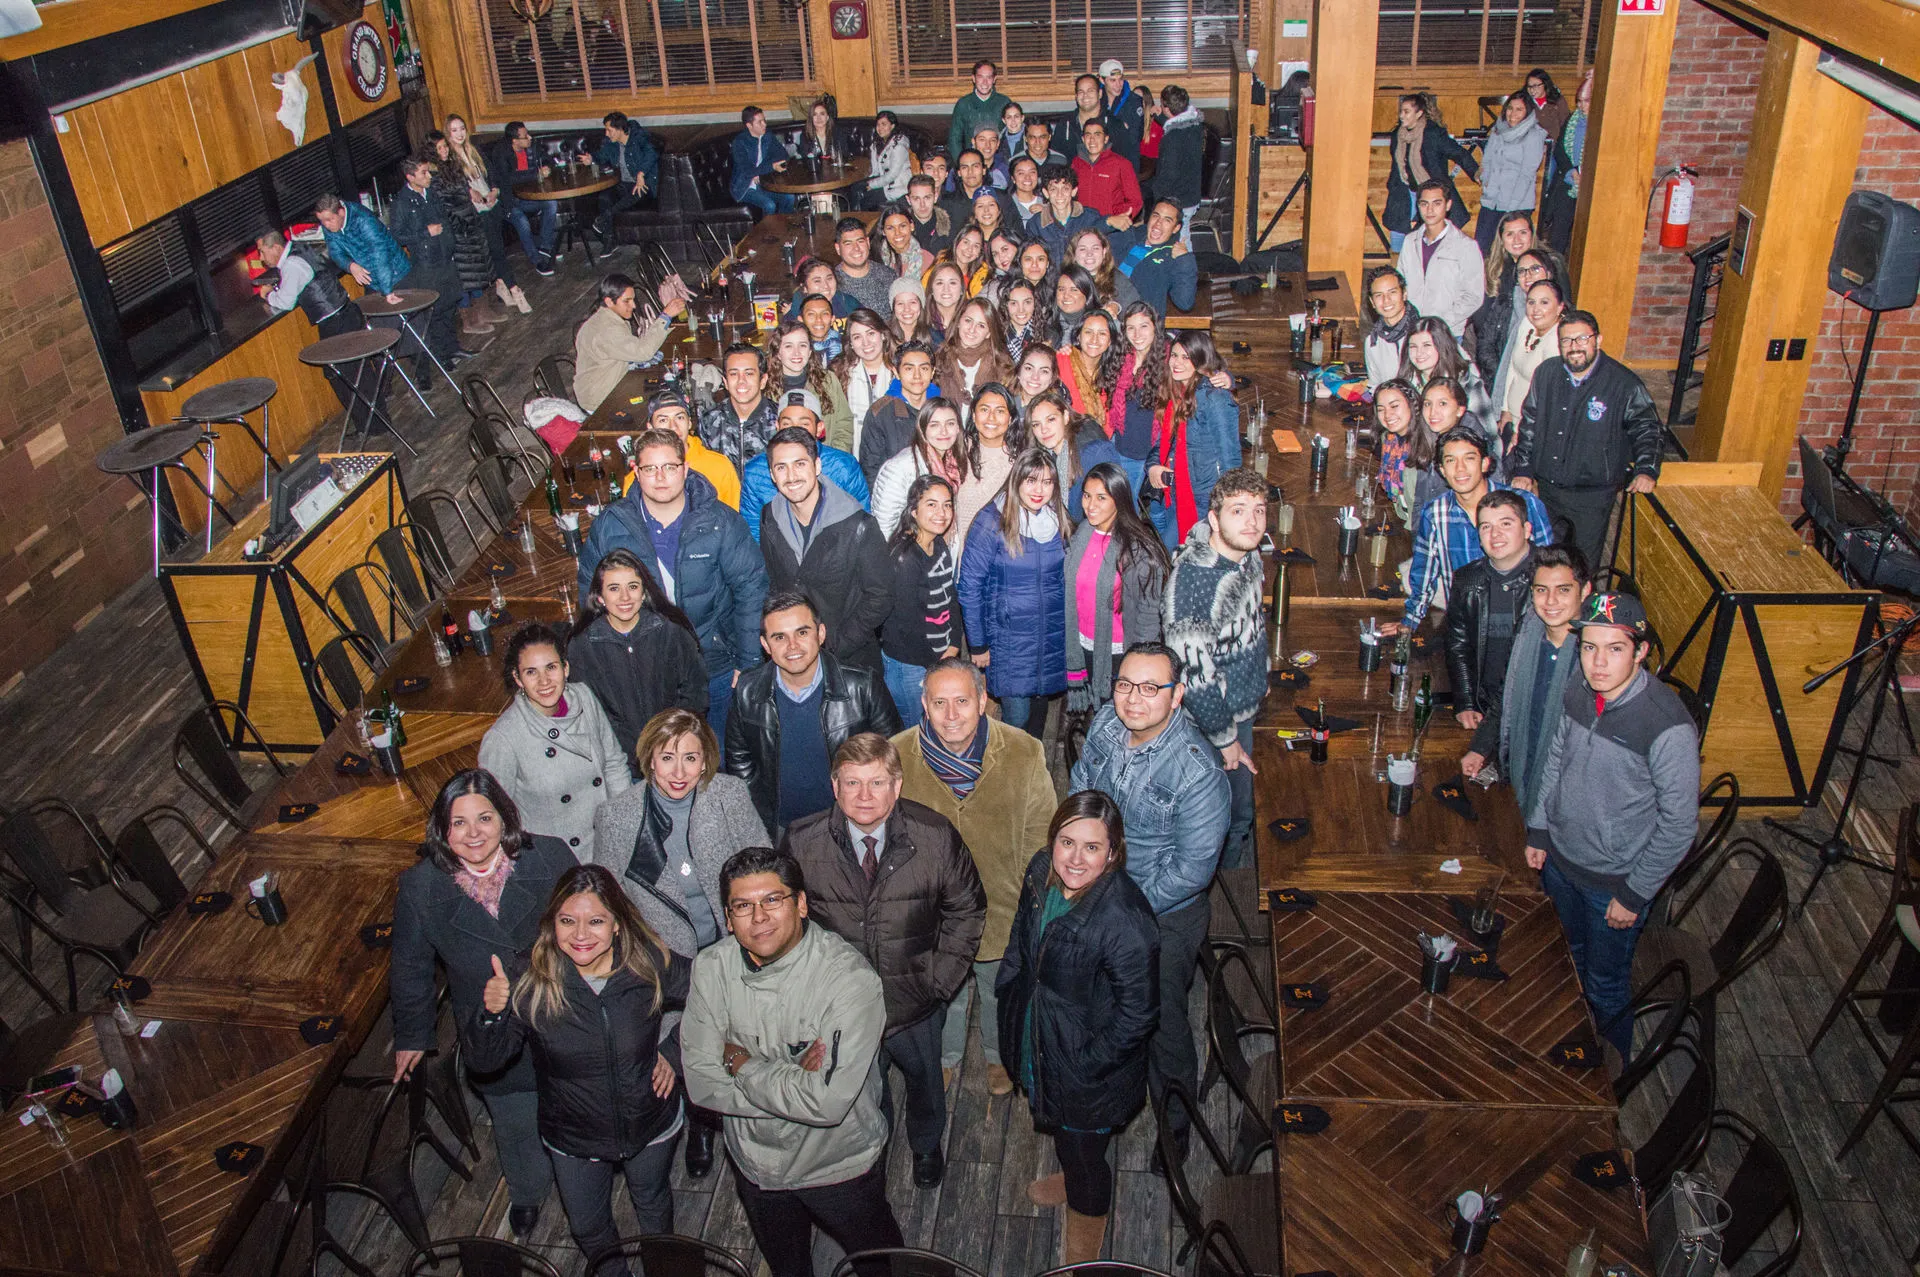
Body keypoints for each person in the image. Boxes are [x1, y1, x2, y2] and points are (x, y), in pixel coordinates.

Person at [682, 847, 905, 1277]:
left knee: (881, 1264)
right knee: (788, 1268)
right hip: (756, 1167)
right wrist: (797, 1081)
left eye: (773, 899)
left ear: (801, 904)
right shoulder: (711, 969)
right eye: (742, 906)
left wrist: (742, 1064)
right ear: (728, 919)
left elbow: (828, 1104)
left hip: (839, 1163)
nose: (759, 917)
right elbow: (702, 1083)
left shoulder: (849, 981)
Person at [779, 734, 986, 1188]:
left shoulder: (934, 836)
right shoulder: (801, 841)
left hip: (914, 1001)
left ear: (897, 787)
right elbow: (786, 925)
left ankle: (926, 1145)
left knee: (926, 1081)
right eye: (853, 783)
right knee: (858, 1088)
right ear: (834, 787)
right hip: (842, 1008)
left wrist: (939, 981)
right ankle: (876, 1147)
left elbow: (967, 909)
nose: (865, 796)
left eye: (877, 783)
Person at [468, 865, 691, 1273]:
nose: (581, 934)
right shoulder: (527, 974)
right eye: (567, 921)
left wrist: (674, 1054)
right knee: (589, 1228)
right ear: (552, 924)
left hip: (651, 1120)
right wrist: (492, 1014)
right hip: (573, 1133)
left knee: (655, 1208)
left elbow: (711, 997)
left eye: (596, 921)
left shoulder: (647, 960)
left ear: (619, 925)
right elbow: (485, 1063)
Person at [392, 771, 576, 1238]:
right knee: (513, 1118)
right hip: (488, 1028)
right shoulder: (421, 887)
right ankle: (528, 1190)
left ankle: (578, 1180)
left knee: (572, 1104)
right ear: (442, 830)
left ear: (505, 819)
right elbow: (411, 964)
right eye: (459, 823)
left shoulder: (550, 856)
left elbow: (588, 927)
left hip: (557, 1012)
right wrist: (413, 1035)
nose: (474, 834)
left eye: (485, 818)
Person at [590, 708, 769, 1179]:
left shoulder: (729, 795)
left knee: (741, 1037)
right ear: (648, 757)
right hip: (667, 960)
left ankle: (740, 1117)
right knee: (687, 1048)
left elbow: (763, 865)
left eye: (691, 758)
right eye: (667, 757)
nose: (679, 772)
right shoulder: (617, 816)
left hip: (730, 948)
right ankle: (701, 1124)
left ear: (706, 761)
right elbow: (610, 904)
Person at [1069, 641, 1228, 1154]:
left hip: (1163, 916)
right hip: (1098, 892)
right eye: (1124, 684)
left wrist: (1116, 908)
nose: (1134, 698)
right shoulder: (1106, 728)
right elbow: (1080, 793)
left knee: (1162, 1027)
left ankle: (1176, 1127)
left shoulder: (1199, 771)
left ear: (1177, 695)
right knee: (1095, 1011)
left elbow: (1190, 873)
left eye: (1150, 687)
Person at [1525, 592, 1700, 1057]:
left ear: (1641, 651)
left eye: (1615, 648)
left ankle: (1611, 1081)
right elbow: (1557, 761)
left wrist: (1634, 893)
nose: (1598, 663)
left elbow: (1680, 824)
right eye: (1589, 647)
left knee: (1605, 989)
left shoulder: (1667, 727)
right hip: (1560, 862)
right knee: (1566, 963)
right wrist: (1540, 829)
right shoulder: (1579, 691)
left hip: (1612, 886)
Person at [996, 788, 1156, 1263]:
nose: (1076, 859)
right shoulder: (1038, 872)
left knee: (1087, 1156)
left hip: (1088, 1071)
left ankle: (1087, 1220)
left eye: (1092, 847)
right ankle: (1073, 1173)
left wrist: (1084, 1066)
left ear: (1113, 853)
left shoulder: (1125, 920)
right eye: (1067, 842)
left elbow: (1137, 1016)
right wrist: (1009, 990)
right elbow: (1019, 944)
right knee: (1069, 1140)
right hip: (1040, 1039)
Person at [886, 659, 1055, 1097]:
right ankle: (947, 1056)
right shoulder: (898, 756)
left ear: (983, 701)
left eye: (962, 701)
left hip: (1003, 903)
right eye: (939, 703)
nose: (951, 714)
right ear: (923, 704)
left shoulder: (1024, 751)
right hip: (934, 912)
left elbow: (1042, 833)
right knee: (947, 992)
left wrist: (1029, 900)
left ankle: (999, 1055)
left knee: (999, 989)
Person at [578, 428, 767, 742]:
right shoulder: (612, 526)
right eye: (650, 468)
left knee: (714, 756)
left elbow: (751, 586)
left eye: (669, 467)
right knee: (656, 757)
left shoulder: (720, 520)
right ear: (636, 472)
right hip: (643, 667)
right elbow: (590, 594)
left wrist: (748, 662)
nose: (660, 477)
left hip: (714, 664)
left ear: (686, 469)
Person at [725, 592, 903, 834]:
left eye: (802, 632)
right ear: (766, 645)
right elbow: (738, 759)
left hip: (849, 825)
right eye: (779, 637)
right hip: (780, 829)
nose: (792, 646)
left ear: (820, 634)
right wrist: (758, 812)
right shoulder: (747, 690)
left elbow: (894, 754)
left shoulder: (863, 686)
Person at [1162, 469, 1267, 869]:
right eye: (1238, 511)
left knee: (1240, 807)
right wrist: (1226, 740)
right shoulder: (1194, 589)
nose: (1252, 522)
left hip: (1244, 702)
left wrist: (1262, 672)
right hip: (1211, 724)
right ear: (1214, 519)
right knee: (1223, 814)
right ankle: (1220, 889)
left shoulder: (1247, 556)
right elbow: (1195, 681)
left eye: (1259, 510)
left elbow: (1253, 618)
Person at [1510, 309, 1663, 570]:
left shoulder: (1624, 384)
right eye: (1567, 341)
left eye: (1582, 339)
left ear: (1598, 340)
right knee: (1544, 560)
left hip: (1592, 496)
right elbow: (1530, 422)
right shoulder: (1547, 373)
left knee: (1583, 566)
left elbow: (1648, 428)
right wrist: (1523, 468)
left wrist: (1646, 469)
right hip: (1548, 490)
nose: (1574, 347)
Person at [480, 623, 634, 854]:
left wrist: (624, 825)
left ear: (566, 668)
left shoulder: (584, 696)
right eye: (531, 672)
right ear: (518, 678)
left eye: (551, 667)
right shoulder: (503, 738)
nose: (544, 681)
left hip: (609, 841)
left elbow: (614, 763)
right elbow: (493, 813)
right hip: (557, 859)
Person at [756, 423, 889, 676]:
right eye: (781, 467)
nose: (791, 476)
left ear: (817, 466)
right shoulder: (769, 518)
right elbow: (773, 585)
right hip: (792, 658)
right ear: (772, 475)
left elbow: (880, 595)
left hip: (849, 659)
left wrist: (834, 643)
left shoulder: (858, 524)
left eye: (800, 464)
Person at [1470, 545, 1592, 813]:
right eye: (1541, 590)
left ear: (1584, 592)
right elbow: (1506, 695)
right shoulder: (1528, 630)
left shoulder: (1593, 660)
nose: (1550, 602)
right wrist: (1480, 747)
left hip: (1564, 797)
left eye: (1563, 590)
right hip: (1516, 768)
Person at [1397, 428, 1554, 635]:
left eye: (1469, 459)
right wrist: (1410, 621)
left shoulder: (1525, 504)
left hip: (1523, 622)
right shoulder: (1435, 514)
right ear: (1442, 470)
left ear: (1484, 463)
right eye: (1451, 461)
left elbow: (1550, 569)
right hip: (1466, 623)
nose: (1460, 469)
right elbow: (1425, 572)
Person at [959, 448, 1069, 737]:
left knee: (1038, 718)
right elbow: (969, 586)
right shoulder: (991, 520)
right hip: (1010, 643)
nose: (1039, 490)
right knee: (1015, 723)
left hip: (1048, 640)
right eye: (1031, 481)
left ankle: (1030, 776)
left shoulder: (1056, 518)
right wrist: (978, 644)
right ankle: (1006, 779)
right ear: (1016, 479)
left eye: (1047, 482)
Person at [1444, 489, 1538, 766]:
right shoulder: (1467, 579)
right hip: (1483, 706)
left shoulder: (1548, 586)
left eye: (1506, 524)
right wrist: (1465, 700)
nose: (1495, 534)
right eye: (1486, 526)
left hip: (1527, 711)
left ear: (1527, 529)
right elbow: (1457, 642)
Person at [1067, 461, 1168, 714]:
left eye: (1102, 497)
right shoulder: (1081, 535)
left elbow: (1148, 618)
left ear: (1119, 499)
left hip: (1118, 653)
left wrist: (1142, 664)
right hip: (1081, 646)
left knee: (1118, 718)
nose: (1091, 506)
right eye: (1087, 496)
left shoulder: (1138, 550)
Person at [255, 229, 371, 413]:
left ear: (276, 247)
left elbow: (286, 301)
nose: (261, 257)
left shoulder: (291, 265)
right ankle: (376, 420)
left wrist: (267, 294)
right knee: (360, 370)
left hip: (334, 321)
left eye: (262, 251)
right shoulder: (299, 248)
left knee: (339, 374)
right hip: (347, 311)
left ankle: (365, 423)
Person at [1145, 330, 1241, 549]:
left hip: (1204, 497)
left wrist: (1228, 504)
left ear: (1200, 360)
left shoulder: (1215, 398)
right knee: (1171, 554)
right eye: (1175, 356)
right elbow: (1163, 443)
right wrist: (1152, 467)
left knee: (1176, 554)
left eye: (1186, 357)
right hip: (1175, 490)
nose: (1176, 363)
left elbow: (1231, 457)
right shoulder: (1176, 392)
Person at [881, 474, 961, 723]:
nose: (942, 512)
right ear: (914, 511)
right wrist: (937, 664)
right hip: (910, 664)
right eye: (931, 504)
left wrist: (954, 643)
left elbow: (950, 596)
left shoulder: (938, 543)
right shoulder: (904, 558)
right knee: (912, 731)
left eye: (947, 504)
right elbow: (908, 627)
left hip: (937, 656)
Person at [386, 155, 473, 366]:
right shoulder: (402, 203)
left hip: (445, 258)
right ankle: (443, 357)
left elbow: (445, 217)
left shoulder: (431, 193)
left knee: (450, 303)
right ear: (410, 177)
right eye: (423, 173)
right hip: (427, 264)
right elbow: (398, 235)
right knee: (436, 310)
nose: (429, 176)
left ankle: (454, 348)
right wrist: (425, 232)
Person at [425, 134, 507, 339]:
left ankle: (484, 310)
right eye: (439, 149)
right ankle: (469, 319)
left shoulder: (452, 167)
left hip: (471, 221)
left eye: (445, 147)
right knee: (465, 276)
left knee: (479, 269)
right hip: (457, 228)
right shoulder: (433, 175)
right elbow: (444, 205)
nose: (444, 151)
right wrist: (461, 223)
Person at [445, 115, 527, 316]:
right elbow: (454, 185)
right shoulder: (449, 159)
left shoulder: (474, 150)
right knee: (495, 251)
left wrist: (494, 190)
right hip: (474, 211)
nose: (460, 133)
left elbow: (493, 173)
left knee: (497, 250)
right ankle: (515, 289)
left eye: (462, 128)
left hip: (491, 206)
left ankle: (502, 284)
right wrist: (469, 192)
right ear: (448, 133)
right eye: (454, 130)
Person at [572, 272, 691, 412]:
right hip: (600, 398)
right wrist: (665, 317)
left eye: (633, 300)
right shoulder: (607, 330)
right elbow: (643, 353)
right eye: (627, 301)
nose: (633, 305)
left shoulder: (604, 318)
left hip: (609, 381)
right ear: (609, 301)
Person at [1384, 93, 1477, 253]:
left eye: (1406, 111)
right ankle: (1397, 272)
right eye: (1401, 111)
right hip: (1404, 190)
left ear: (1419, 113)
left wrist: (1476, 172)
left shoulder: (1433, 134)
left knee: (1432, 235)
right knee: (1397, 234)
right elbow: (1397, 166)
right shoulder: (1397, 135)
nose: (1401, 115)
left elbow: (1459, 153)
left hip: (1430, 191)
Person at [1396, 178, 1486, 340]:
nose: (1430, 210)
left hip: (1447, 333)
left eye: (1436, 203)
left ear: (1448, 205)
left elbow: (1474, 296)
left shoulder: (1466, 246)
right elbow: (1400, 283)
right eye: (1424, 204)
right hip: (1412, 330)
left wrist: (1441, 322)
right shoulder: (1410, 241)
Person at [872, 397, 968, 537]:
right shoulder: (900, 467)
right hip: (907, 552)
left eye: (950, 424)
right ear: (922, 429)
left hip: (939, 551)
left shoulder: (956, 463)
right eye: (934, 425)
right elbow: (883, 528)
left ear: (958, 427)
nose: (944, 432)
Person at [634, 390, 740, 511]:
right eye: (663, 420)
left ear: (689, 423)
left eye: (679, 417)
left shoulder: (720, 467)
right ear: (650, 427)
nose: (673, 426)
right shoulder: (642, 474)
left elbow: (733, 522)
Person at [1025, 385, 1118, 519]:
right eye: (1036, 424)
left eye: (1051, 419)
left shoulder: (1092, 452)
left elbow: (1111, 507)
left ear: (1066, 416)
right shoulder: (1045, 454)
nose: (1043, 429)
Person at [953, 383, 1021, 565]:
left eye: (1000, 411)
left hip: (1003, 562)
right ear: (974, 415)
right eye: (984, 409)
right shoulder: (956, 451)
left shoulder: (1021, 462)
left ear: (1011, 418)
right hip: (963, 561)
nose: (991, 417)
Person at [1474, 93, 1547, 258]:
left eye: (1519, 110)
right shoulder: (1498, 130)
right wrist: (1485, 181)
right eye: (1510, 108)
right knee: (1481, 249)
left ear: (1527, 112)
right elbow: (1487, 160)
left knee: (1511, 254)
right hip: (1492, 200)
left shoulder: (1534, 134)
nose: (1512, 114)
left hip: (1516, 204)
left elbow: (1527, 175)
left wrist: (1511, 208)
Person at [1497, 278, 1568, 448]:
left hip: (1532, 427)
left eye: (1544, 302)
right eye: (1531, 302)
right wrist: (1505, 409)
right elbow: (1512, 368)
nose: (1536, 309)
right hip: (1512, 418)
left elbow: (1548, 397)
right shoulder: (1527, 324)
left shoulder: (1557, 341)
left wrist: (1523, 431)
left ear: (1560, 307)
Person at [860, 339, 940, 482]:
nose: (917, 376)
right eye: (909, 369)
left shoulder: (943, 410)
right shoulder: (880, 413)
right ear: (896, 372)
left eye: (924, 368)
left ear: (932, 372)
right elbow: (871, 470)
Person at [486, 121, 558, 276]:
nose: (530, 138)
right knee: (523, 222)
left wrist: (546, 168)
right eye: (525, 136)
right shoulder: (501, 153)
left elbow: (549, 160)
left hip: (530, 197)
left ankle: (545, 247)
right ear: (515, 141)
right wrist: (535, 174)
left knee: (551, 203)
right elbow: (507, 179)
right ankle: (537, 260)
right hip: (509, 201)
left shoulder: (532, 146)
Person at [1106, 201, 1197, 317]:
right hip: (1105, 309)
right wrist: (1108, 222)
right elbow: (1091, 243)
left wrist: (1185, 259)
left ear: (1176, 228)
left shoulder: (1171, 257)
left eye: (1167, 220)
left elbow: (1185, 302)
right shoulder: (1129, 235)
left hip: (1138, 322)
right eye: (1156, 216)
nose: (1158, 223)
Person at [1374, 378, 1443, 531]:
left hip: (1425, 528)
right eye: (1381, 409)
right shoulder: (1389, 439)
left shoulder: (1428, 445)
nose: (1387, 415)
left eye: (1394, 406)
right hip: (1402, 517)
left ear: (1412, 404)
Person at [701, 342, 782, 470]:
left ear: (763, 380)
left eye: (749, 373)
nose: (741, 381)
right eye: (734, 374)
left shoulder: (781, 420)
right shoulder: (709, 421)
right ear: (725, 382)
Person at [1538, 71, 1590, 255]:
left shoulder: (1603, 124)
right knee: (1558, 232)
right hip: (1569, 180)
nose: (1582, 107)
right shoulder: (1573, 120)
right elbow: (1560, 149)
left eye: (1587, 101)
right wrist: (1571, 171)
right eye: (1580, 102)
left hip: (1590, 183)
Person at [834, 309, 897, 453]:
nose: (866, 342)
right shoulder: (839, 374)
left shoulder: (901, 369)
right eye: (857, 337)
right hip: (854, 455)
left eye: (871, 333)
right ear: (850, 343)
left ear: (882, 335)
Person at [593, 111, 659, 240]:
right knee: (605, 197)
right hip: (623, 184)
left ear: (620, 130)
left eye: (609, 130)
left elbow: (652, 153)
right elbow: (601, 156)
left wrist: (641, 174)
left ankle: (604, 218)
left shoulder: (638, 137)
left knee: (638, 191)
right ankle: (609, 240)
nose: (606, 133)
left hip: (644, 185)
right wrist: (591, 158)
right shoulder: (612, 143)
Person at [1151, 85, 1205, 243]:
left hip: (1179, 200)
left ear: (1166, 108)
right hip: (1192, 194)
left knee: (1180, 240)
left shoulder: (1171, 139)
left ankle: (1188, 265)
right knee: (1183, 233)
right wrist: (1159, 117)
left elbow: (1169, 174)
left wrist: (1157, 196)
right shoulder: (1195, 126)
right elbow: (1178, 124)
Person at [933, 297, 1014, 403]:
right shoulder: (939, 359)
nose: (972, 329)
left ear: (989, 333)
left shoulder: (1002, 365)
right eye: (968, 320)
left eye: (981, 325)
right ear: (958, 322)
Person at [1071, 120, 1143, 226]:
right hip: (1082, 227)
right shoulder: (1076, 163)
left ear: (1106, 138)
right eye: (1088, 135)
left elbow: (1135, 201)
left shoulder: (1121, 164)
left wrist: (1118, 218)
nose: (1092, 140)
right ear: (1083, 139)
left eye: (1097, 135)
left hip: (1110, 228)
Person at [732, 105, 795, 217]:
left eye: (764, 120)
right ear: (749, 125)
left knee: (789, 197)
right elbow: (747, 171)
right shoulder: (739, 143)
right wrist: (768, 167)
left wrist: (759, 172)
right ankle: (766, 233)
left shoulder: (767, 136)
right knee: (769, 205)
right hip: (744, 187)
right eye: (759, 122)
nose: (764, 124)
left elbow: (783, 155)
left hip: (762, 184)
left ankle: (783, 230)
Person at [1056, 305, 1117, 419]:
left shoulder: (1113, 374)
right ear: (1078, 336)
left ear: (1110, 341)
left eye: (1102, 333)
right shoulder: (1060, 362)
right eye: (1088, 332)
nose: (1094, 339)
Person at [1362, 266, 1418, 389]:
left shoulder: (1426, 332)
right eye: (1379, 295)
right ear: (1372, 302)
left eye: (1392, 292)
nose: (1386, 300)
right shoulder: (1373, 343)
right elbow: (1376, 387)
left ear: (1404, 294)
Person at [831, 217, 898, 315]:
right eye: (848, 244)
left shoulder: (888, 276)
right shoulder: (832, 284)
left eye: (860, 241)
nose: (856, 248)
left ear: (867, 242)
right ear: (838, 248)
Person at [1034, 163, 1102, 259]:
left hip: (1082, 273)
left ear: (1073, 191)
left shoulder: (1091, 218)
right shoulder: (1035, 224)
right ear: (1046, 193)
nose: (1059, 194)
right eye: (1053, 189)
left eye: (1065, 188)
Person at [949, 59, 1012, 162]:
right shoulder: (963, 104)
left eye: (989, 77)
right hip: (971, 162)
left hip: (999, 160)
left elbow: (1012, 135)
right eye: (980, 77)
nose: (985, 82)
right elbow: (954, 139)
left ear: (994, 79)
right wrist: (960, 164)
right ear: (973, 78)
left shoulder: (1004, 102)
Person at [1097, 59, 1148, 166]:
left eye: (1120, 79)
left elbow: (1134, 138)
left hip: (1127, 160)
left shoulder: (1134, 101)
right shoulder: (1096, 100)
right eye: (1112, 80)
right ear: (1102, 80)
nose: (1118, 85)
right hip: (1101, 159)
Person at [864, 110, 913, 207]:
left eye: (884, 124)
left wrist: (872, 185)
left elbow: (892, 174)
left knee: (864, 198)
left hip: (898, 187)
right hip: (885, 184)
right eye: (878, 124)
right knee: (856, 188)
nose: (880, 128)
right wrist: (866, 178)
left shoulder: (899, 145)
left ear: (892, 126)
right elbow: (876, 171)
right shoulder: (877, 144)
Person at [904, 173, 953, 254]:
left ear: (935, 197)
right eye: (916, 199)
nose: (922, 205)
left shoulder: (951, 228)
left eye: (927, 198)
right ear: (908, 200)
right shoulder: (898, 230)